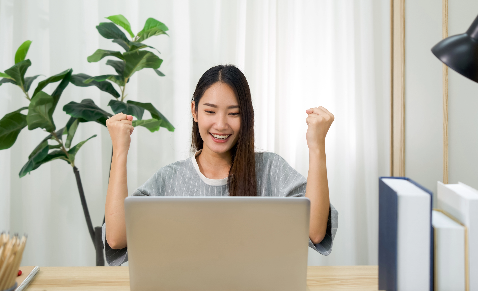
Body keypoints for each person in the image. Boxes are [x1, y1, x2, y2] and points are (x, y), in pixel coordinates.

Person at [103, 64, 338, 266]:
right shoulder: (170, 178)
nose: (221, 124)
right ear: (194, 111)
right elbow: (117, 238)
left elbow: (315, 232)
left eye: (233, 113)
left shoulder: (270, 169)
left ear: (246, 117)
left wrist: (317, 147)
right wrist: (119, 151)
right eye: (210, 111)